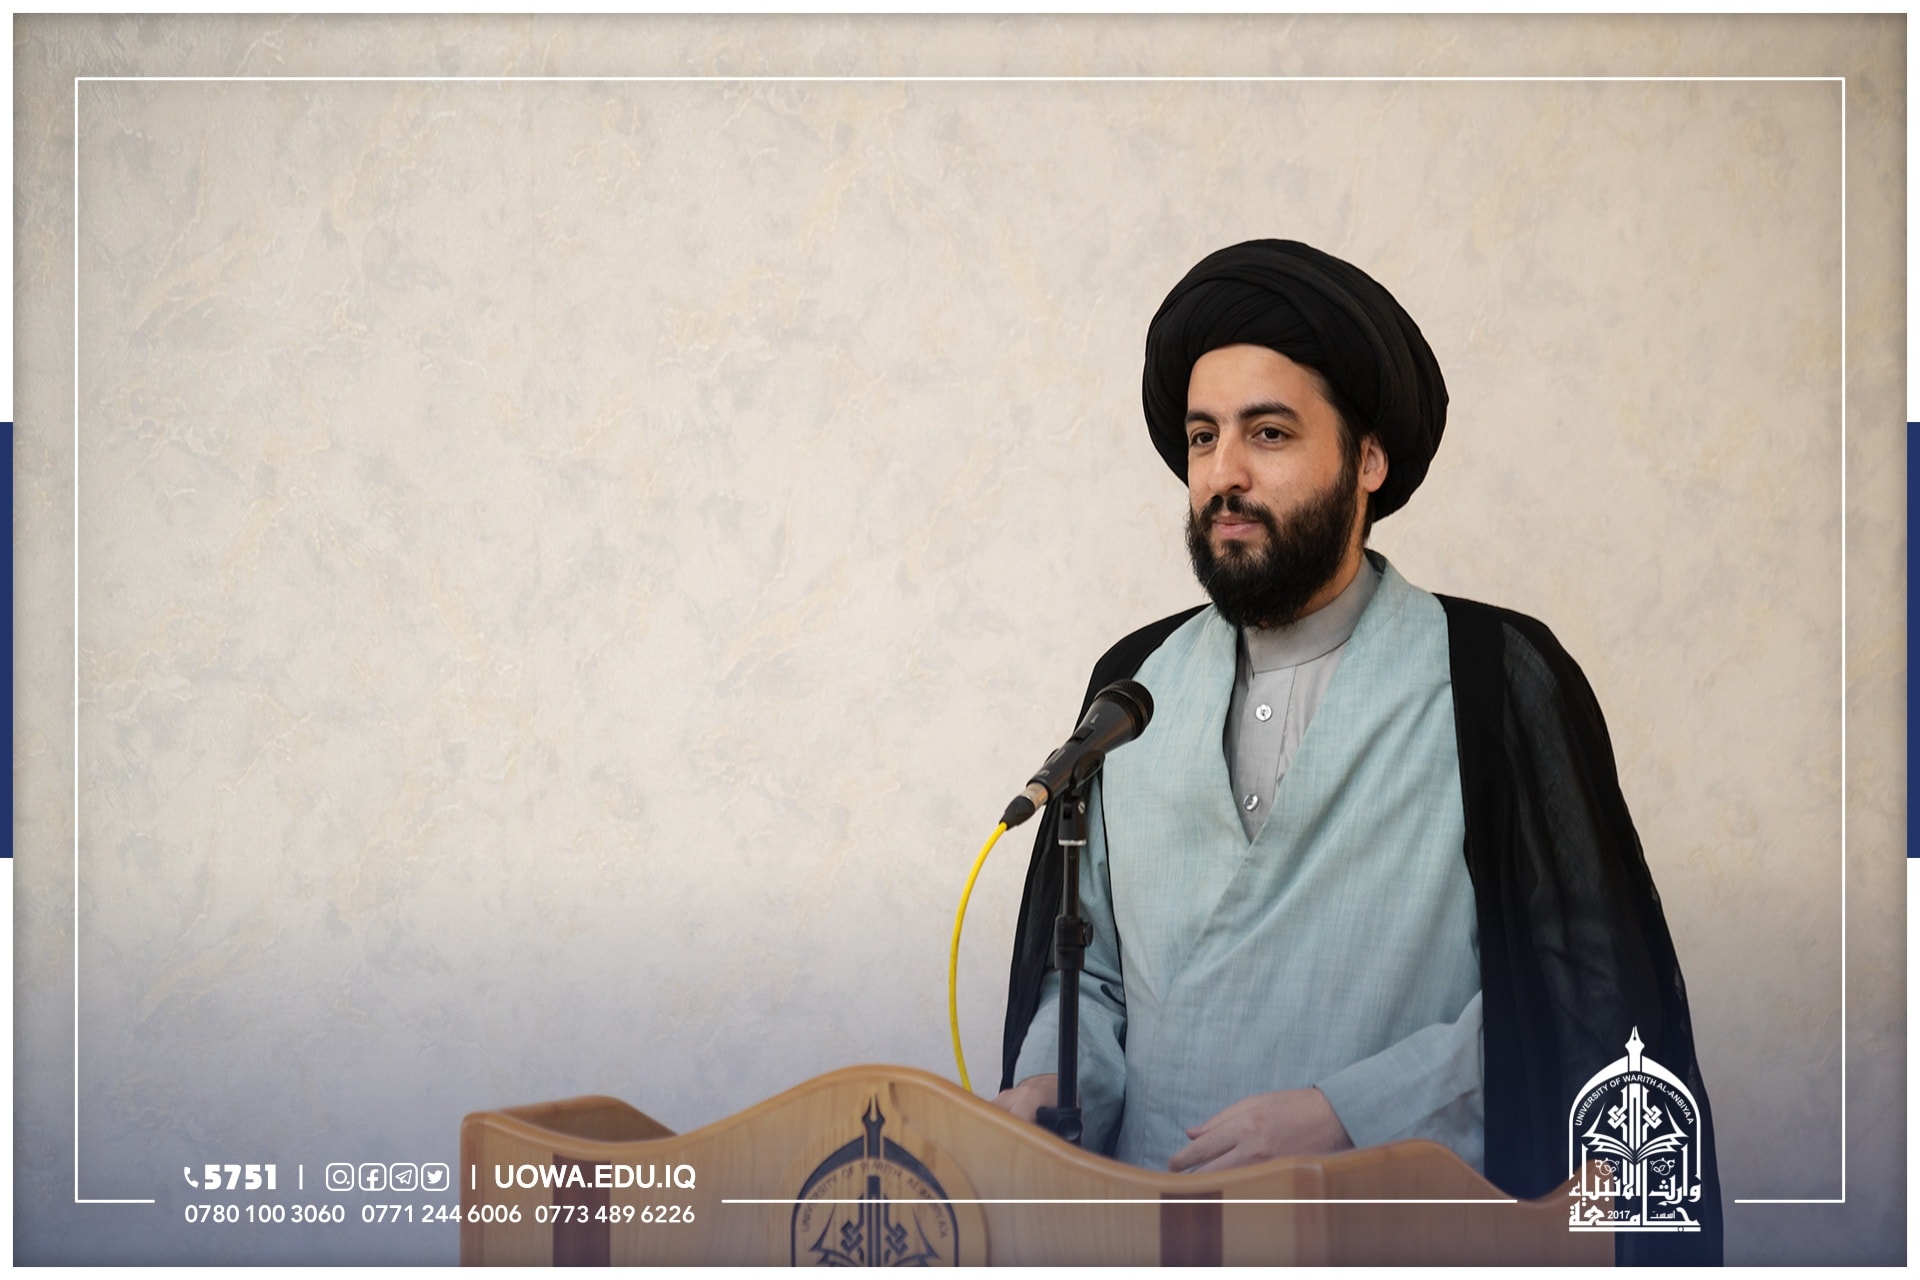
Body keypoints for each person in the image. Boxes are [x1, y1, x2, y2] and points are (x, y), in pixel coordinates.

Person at [992, 240, 1721, 1264]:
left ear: (1368, 461)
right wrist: (1049, 1082)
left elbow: (1579, 999)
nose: (1224, 474)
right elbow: (1092, 974)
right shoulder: (1134, 684)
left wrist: (1351, 1111)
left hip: (1394, 1234)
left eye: (1269, 433)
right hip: (1151, 1236)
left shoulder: (1494, 676)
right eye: (1203, 438)